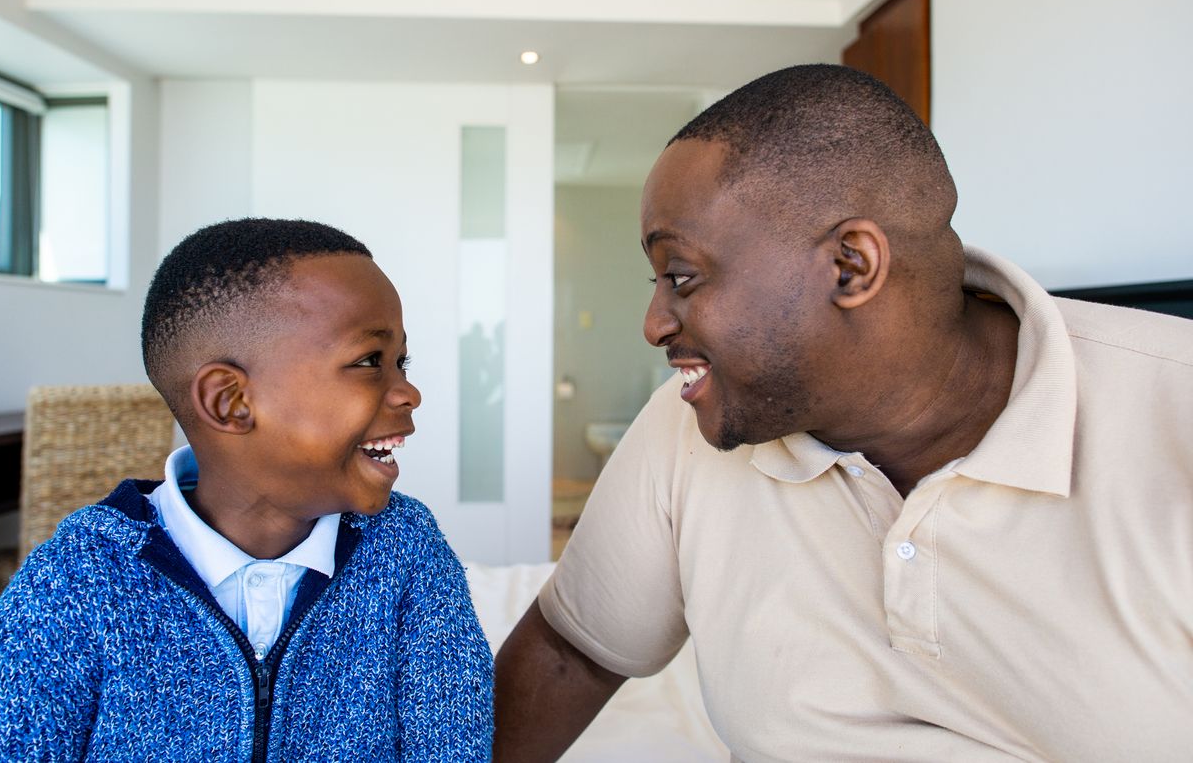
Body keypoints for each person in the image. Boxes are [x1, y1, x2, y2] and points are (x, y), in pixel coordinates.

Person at [494, 65, 1193, 761]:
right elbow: (575, 650)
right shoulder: (688, 427)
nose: (653, 324)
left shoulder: (1171, 418)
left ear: (851, 267)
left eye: (682, 277)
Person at [0, 218, 493, 761]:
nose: (409, 392)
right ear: (230, 402)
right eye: (370, 361)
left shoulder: (408, 552)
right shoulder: (79, 579)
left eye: (402, 361)